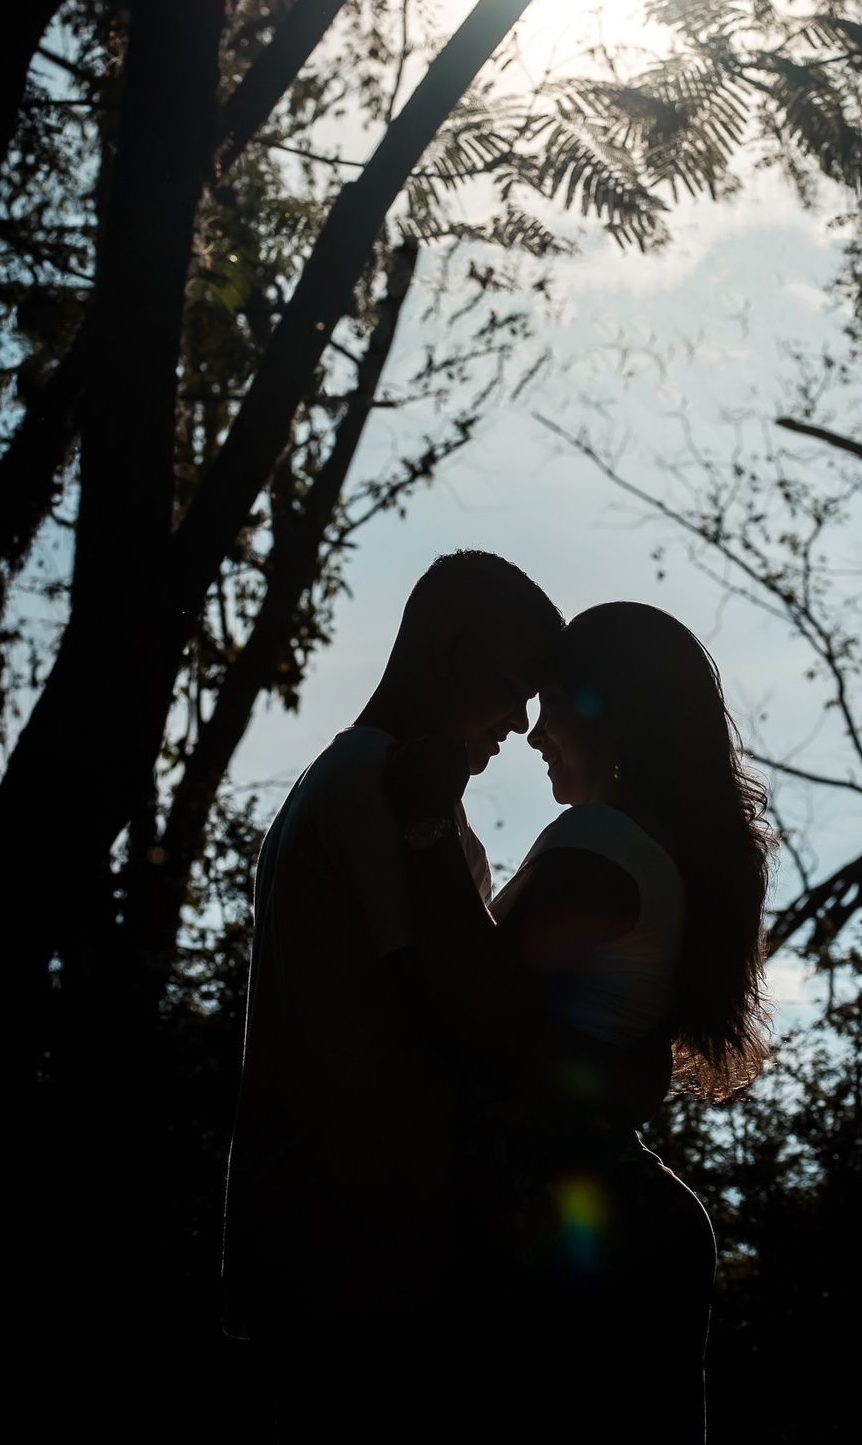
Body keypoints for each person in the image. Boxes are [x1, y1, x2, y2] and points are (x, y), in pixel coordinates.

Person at [384, 601, 773, 1426]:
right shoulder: (651, 850)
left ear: (604, 709)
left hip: (575, 1240)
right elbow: (606, 1060)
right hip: (610, 1228)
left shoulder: (598, 842)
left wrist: (423, 824)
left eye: (551, 706)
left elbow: (482, 1013)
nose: (530, 736)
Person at [221, 550, 564, 1365]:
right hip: (356, 1243)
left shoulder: (366, 780)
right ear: (450, 652)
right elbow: (457, 1003)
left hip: (353, 1235)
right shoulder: (372, 784)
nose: (520, 722)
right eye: (518, 688)